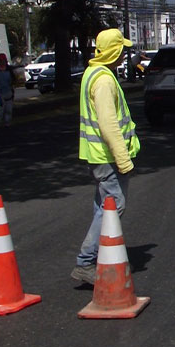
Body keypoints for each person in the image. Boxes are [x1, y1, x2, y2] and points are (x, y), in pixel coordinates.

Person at [72, 29, 141, 285]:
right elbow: (109, 124)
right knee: (113, 206)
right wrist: (123, 160)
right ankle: (86, 261)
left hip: (97, 155)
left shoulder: (93, 73)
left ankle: (103, 256)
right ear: (114, 51)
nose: (124, 55)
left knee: (103, 206)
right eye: (122, 50)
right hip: (106, 156)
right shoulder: (103, 81)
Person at [0, 53, 15, 127]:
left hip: (8, 92)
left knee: (8, 109)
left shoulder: (10, 70)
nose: (1, 62)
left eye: (2, 60)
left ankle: (7, 123)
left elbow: (14, 80)